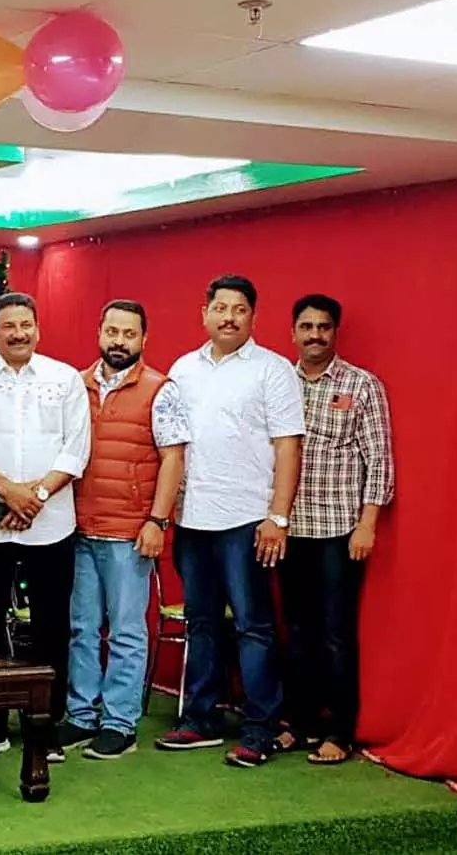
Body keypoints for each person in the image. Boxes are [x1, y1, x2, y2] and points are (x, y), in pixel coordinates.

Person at [156, 275, 304, 768]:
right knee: (201, 623)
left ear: (253, 317)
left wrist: (277, 516)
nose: (229, 318)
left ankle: (260, 729)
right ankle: (200, 718)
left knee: (253, 626)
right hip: (192, 519)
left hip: (248, 519)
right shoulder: (182, 369)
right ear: (204, 314)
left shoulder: (272, 370)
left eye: (239, 310)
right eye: (220, 308)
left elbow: (289, 446)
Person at [0, 292, 90, 762]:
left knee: (51, 626)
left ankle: (44, 728)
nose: (19, 334)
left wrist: (36, 496)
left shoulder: (64, 378)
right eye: (8, 326)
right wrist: (9, 491)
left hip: (51, 522)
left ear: (37, 328)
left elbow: (76, 448)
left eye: (26, 325)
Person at [61, 300, 189, 760]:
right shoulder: (74, 385)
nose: (119, 341)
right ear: (99, 333)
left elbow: (173, 459)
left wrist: (157, 520)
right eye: (112, 332)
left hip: (130, 532)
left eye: (129, 333)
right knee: (81, 628)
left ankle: (119, 722)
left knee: (127, 631)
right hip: (78, 527)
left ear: (144, 339)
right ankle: (80, 715)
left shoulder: (161, 390)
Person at [279, 294, 394, 765]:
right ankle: (299, 722)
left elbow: (379, 460)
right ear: (292, 332)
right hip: (287, 529)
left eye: (323, 327)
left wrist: (367, 525)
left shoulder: (362, 385)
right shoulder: (278, 382)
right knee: (296, 630)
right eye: (306, 327)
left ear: (335, 332)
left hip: (338, 530)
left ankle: (340, 731)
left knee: (335, 633)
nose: (314, 335)